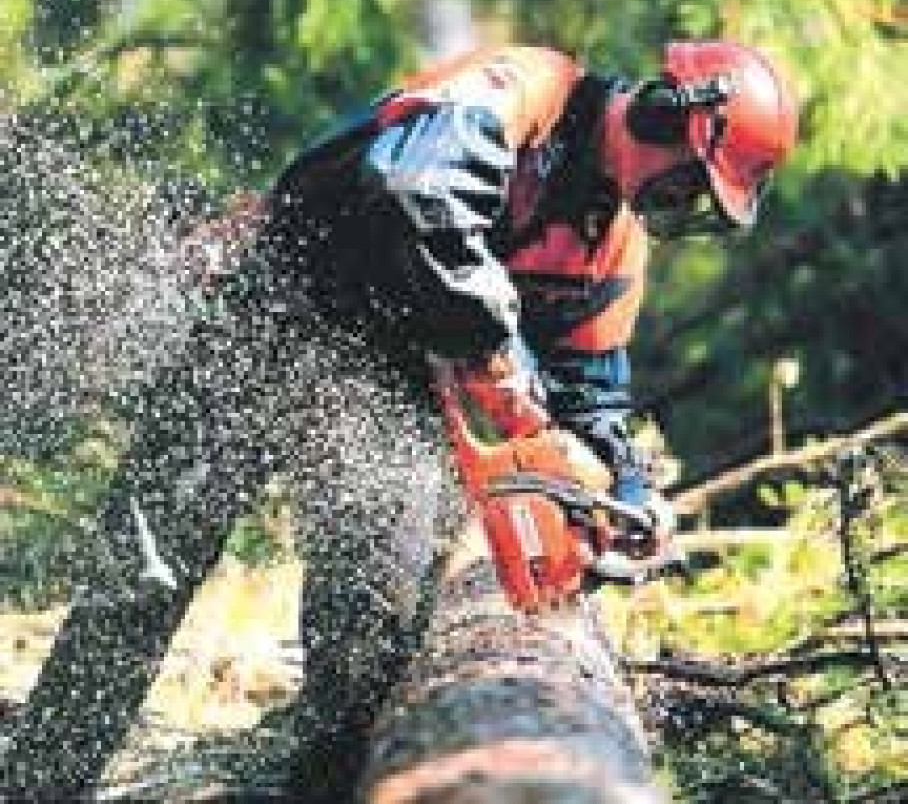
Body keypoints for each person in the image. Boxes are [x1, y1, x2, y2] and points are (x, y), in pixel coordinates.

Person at [3, 39, 797, 800]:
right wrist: (497, 354)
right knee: (147, 570)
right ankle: (41, 783)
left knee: (377, 613)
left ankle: (319, 785)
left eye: (698, 205)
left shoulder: (609, 245)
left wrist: (622, 492)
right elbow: (413, 187)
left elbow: (592, 392)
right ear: (662, 113)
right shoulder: (527, 90)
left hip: (396, 394)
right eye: (686, 184)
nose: (678, 206)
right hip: (271, 309)